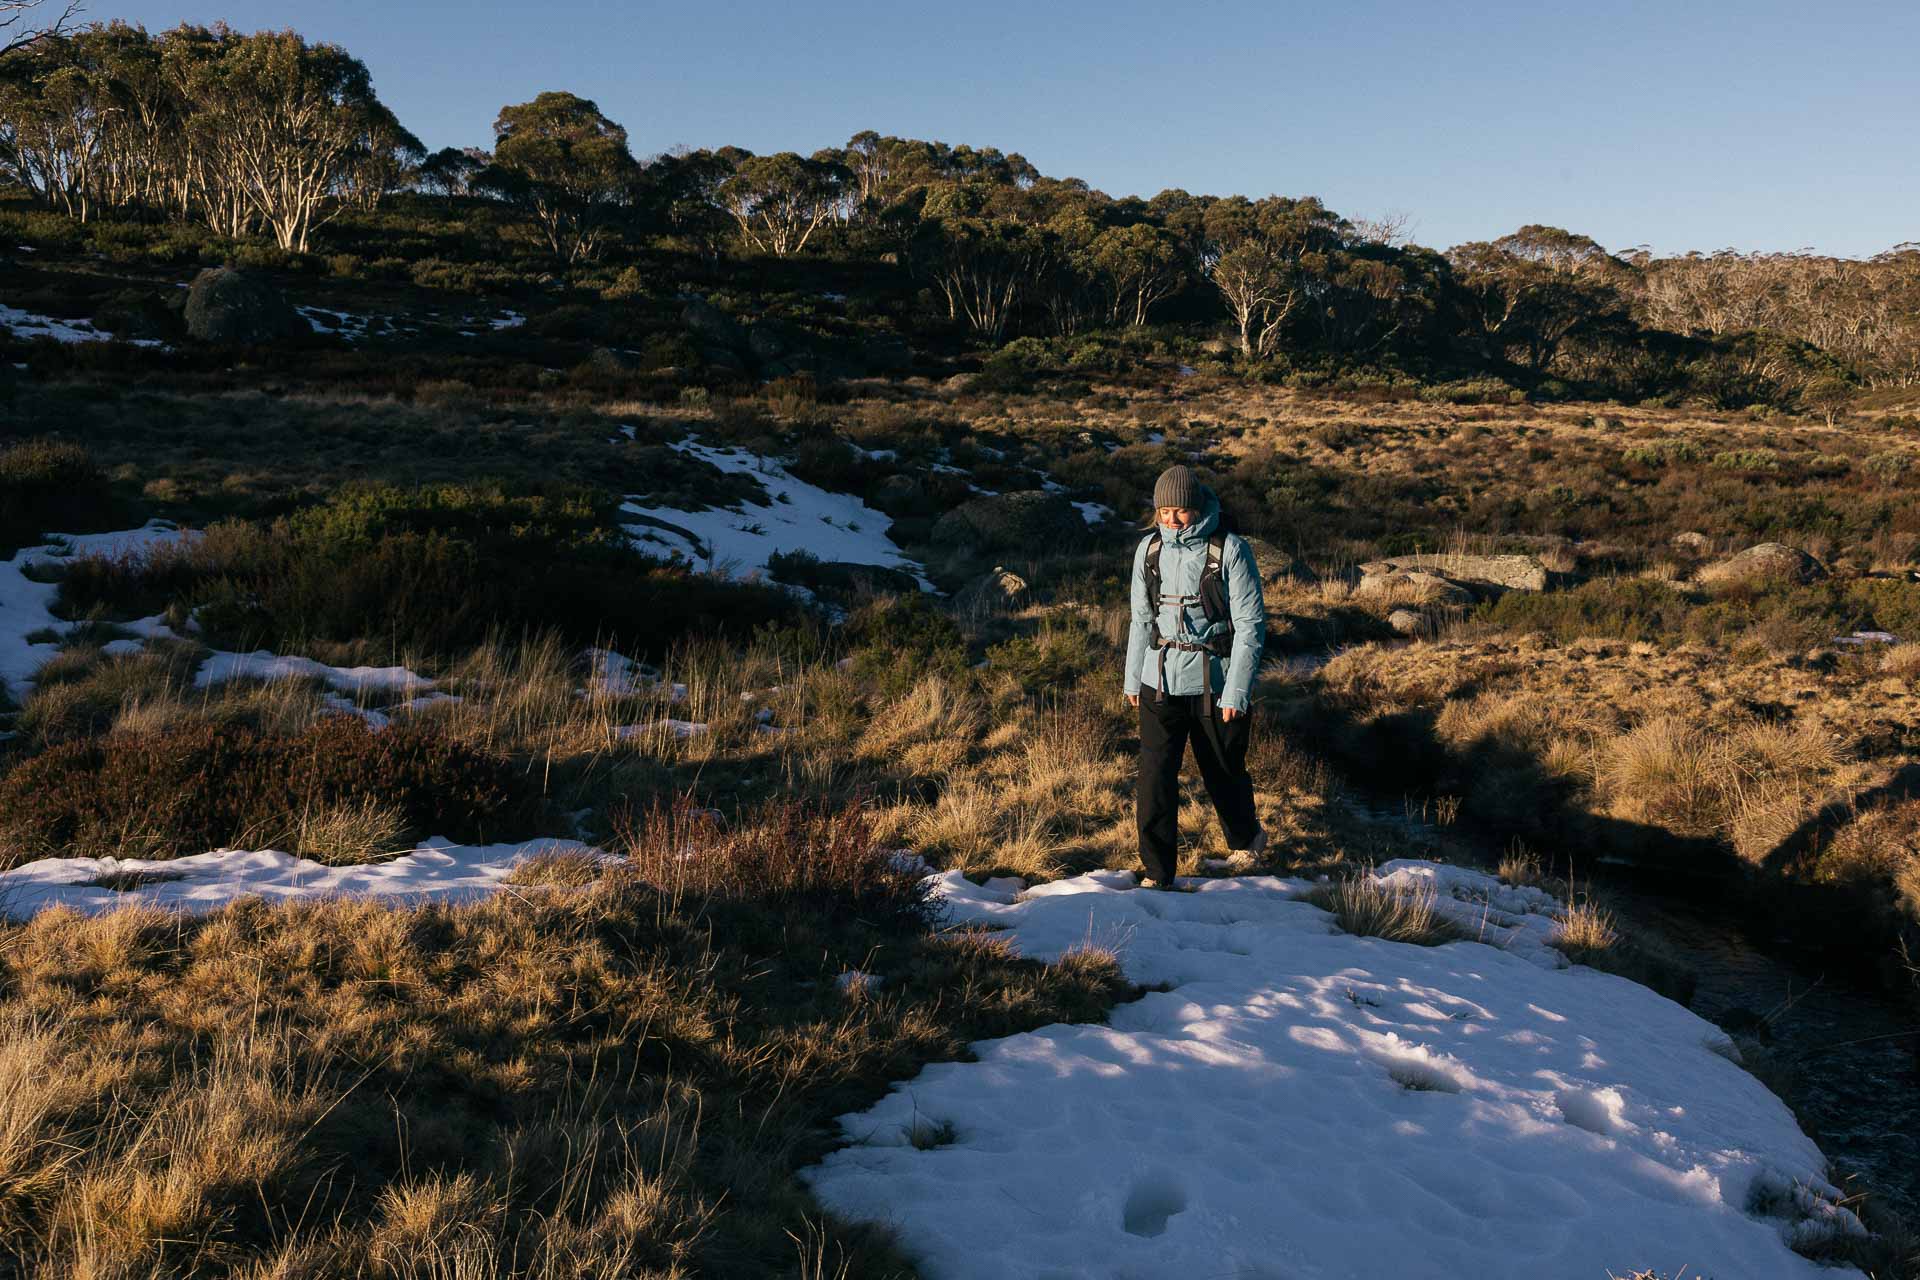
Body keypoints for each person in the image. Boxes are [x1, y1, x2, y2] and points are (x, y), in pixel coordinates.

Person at [1123, 465, 1267, 888]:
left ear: (1198, 506)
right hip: (1159, 681)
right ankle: (1157, 873)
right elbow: (1140, 619)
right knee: (1154, 777)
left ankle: (1246, 841)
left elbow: (1250, 625)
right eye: (1164, 510)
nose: (1171, 519)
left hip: (1216, 684)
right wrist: (1134, 680)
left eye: (1181, 511)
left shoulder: (1231, 550)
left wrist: (1236, 693)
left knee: (1223, 769)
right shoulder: (1147, 550)